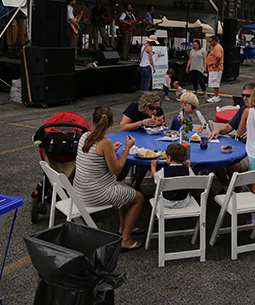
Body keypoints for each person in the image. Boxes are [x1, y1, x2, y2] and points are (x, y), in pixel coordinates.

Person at [73, 106, 145, 251]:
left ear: (93, 122)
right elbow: (117, 169)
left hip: (79, 192)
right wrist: (126, 149)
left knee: (125, 189)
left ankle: (123, 227)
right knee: (139, 198)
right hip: (96, 195)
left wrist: (111, 151)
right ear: (111, 123)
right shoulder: (104, 142)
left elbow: (95, 156)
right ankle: (126, 239)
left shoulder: (84, 136)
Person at [149, 143, 193, 209]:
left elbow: (156, 178)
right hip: (183, 202)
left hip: (166, 202)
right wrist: (189, 166)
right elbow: (193, 178)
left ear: (169, 158)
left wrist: (153, 167)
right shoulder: (187, 170)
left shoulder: (164, 170)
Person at [206, 35, 224, 103]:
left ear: (214, 41)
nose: (210, 42)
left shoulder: (217, 48)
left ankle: (216, 96)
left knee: (215, 82)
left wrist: (216, 64)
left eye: (210, 41)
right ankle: (215, 95)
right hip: (215, 68)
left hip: (216, 68)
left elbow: (219, 56)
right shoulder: (217, 47)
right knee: (215, 83)